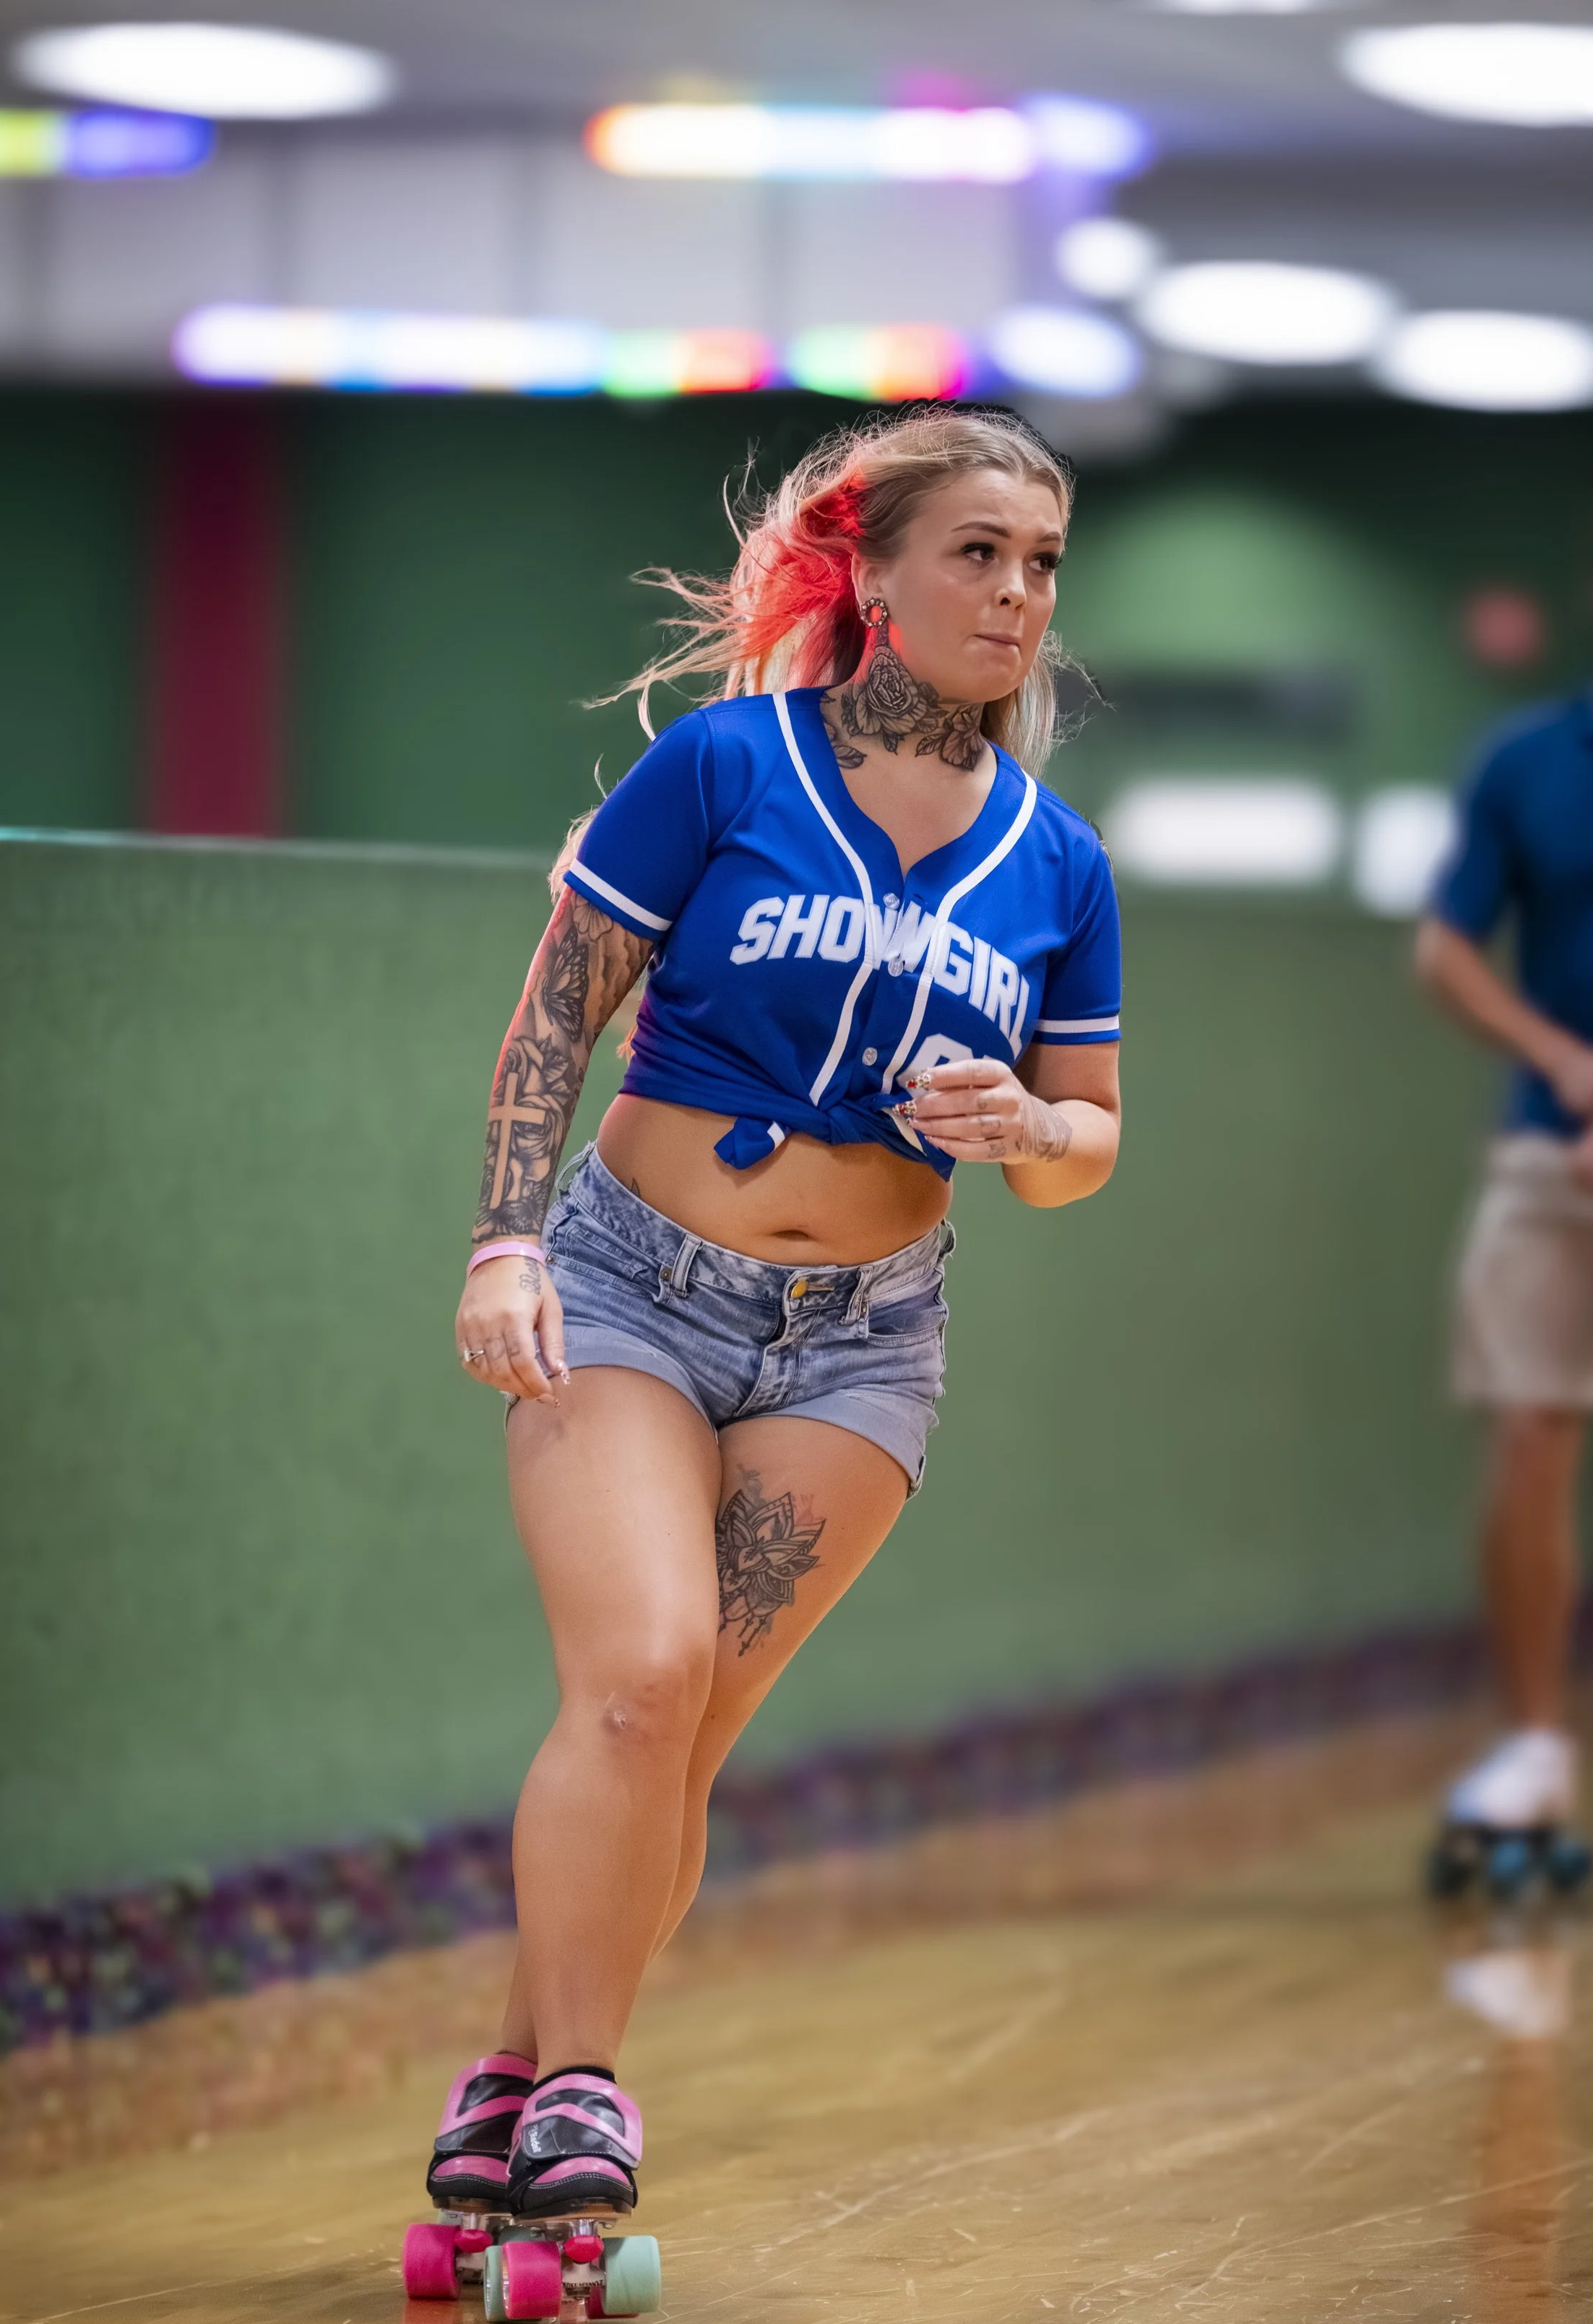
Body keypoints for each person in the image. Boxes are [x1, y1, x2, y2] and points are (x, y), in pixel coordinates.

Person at [424, 407, 1123, 2224]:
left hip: (864, 1342)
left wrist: (1037, 1129)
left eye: (1040, 563)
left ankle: (515, 2078)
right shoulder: (729, 767)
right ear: (872, 576)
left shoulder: (1055, 862)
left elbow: (1082, 1150)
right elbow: (550, 1022)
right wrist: (503, 1243)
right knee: (639, 1681)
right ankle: (579, 2085)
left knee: (687, 1732)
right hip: (630, 1289)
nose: (1014, 593)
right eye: (975, 552)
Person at [1417, 543, 1593, 1857]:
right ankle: (1536, 1742)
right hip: (1559, 1155)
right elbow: (1447, 947)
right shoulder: (1528, 759)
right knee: (1530, 1432)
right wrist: (1568, 1066)